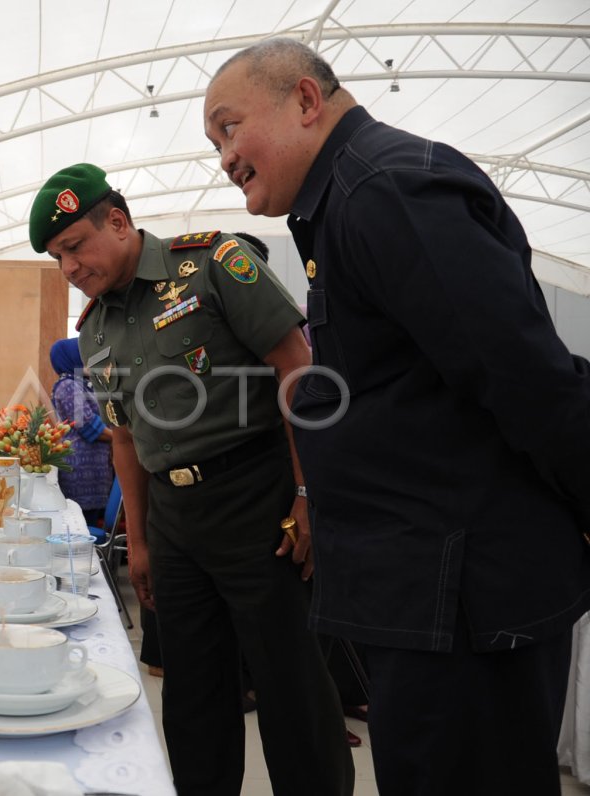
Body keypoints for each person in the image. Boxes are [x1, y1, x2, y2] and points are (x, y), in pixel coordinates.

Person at [205, 37, 590, 796]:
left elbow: (520, 373)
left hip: (466, 602)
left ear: (307, 101)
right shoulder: (345, 203)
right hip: (425, 591)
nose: (222, 157)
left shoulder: (383, 192)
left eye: (228, 128)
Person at [28, 164, 353, 795]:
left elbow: (297, 370)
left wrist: (311, 493)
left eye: (74, 247)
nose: (67, 267)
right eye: (56, 256)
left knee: (292, 691)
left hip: (257, 501)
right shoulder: (93, 328)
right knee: (193, 697)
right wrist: (143, 541)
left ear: (117, 222)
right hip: (174, 519)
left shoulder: (211, 263)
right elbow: (124, 437)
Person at [48, 337, 113, 527]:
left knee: (90, 524)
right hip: (81, 473)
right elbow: (89, 426)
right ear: (70, 358)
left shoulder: (82, 383)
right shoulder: (68, 386)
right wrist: (124, 439)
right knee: (80, 527)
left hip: (93, 470)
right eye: (83, 356)